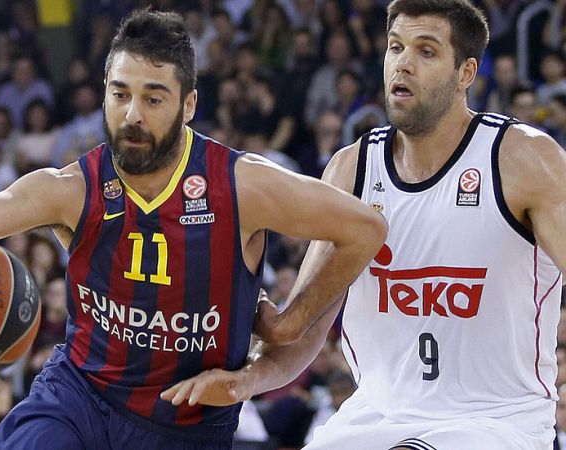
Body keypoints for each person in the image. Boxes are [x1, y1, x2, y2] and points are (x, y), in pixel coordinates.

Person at [0, 9, 386, 449]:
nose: (132, 114)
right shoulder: (73, 186)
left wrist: (290, 326)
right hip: (79, 398)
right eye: (119, 94)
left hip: (188, 425)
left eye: (153, 98)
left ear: (189, 104)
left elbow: (364, 228)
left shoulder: (243, 185)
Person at [163, 1, 566, 449]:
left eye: (426, 52)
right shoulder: (351, 168)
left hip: (496, 424)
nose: (404, 64)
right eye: (396, 47)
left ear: (466, 73)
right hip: (377, 416)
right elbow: (305, 326)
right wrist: (246, 381)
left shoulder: (524, 160)